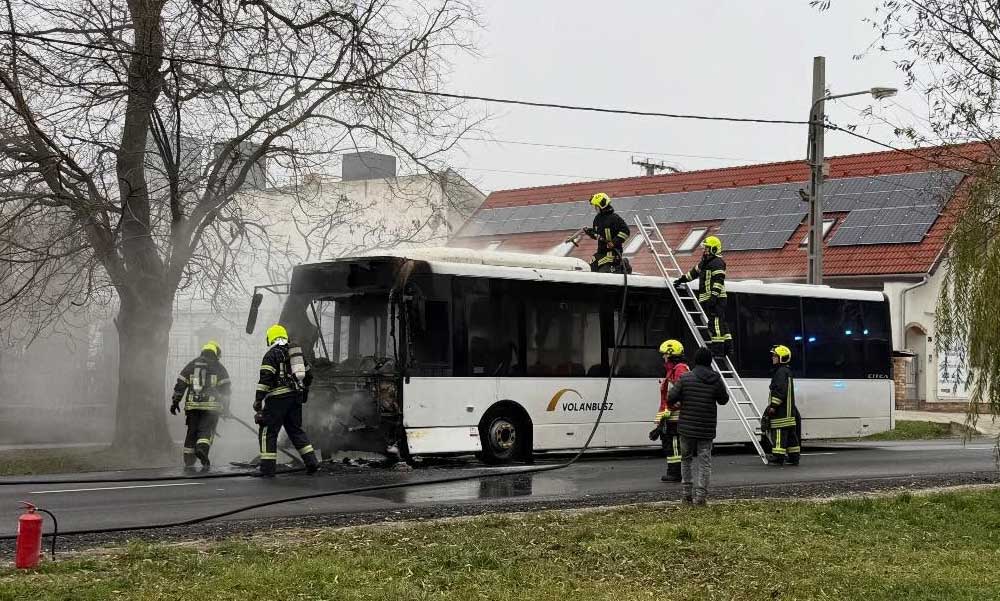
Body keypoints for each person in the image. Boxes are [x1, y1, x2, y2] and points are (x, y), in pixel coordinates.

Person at [254, 324, 319, 477]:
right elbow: (309, 376)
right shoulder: (296, 355)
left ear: (271, 338)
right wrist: (304, 391)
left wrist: (258, 399)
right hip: (295, 398)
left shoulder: (271, 355)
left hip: (277, 400)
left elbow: (265, 378)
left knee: (268, 431)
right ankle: (312, 462)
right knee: (296, 431)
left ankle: (267, 469)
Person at [668, 346, 729, 506]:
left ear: (695, 360)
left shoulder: (685, 378)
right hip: (706, 429)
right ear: (710, 361)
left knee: (686, 460)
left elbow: (671, 397)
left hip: (686, 428)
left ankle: (686, 496)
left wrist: (682, 399)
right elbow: (724, 400)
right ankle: (701, 498)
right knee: (704, 462)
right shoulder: (716, 379)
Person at [170, 341, 230, 471]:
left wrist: (175, 402)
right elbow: (226, 391)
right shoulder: (219, 367)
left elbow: (181, 384)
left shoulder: (192, 365)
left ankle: (188, 460)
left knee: (192, 431)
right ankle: (202, 449)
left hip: (193, 406)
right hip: (211, 407)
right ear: (216, 353)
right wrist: (226, 409)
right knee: (206, 430)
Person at [673, 235, 731, 356]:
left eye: (707, 248)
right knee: (719, 322)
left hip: (717, 299)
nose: (704, 250)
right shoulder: (705, 262)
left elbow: (718, 281)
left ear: (714, 249)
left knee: (715, 323)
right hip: (709, 298)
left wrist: (713, 297)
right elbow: (693, 273)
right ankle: (727, 347)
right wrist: (682, 279)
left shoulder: (718, 262)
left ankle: (718, 349)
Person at [649, 339, 689, 483]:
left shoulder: (680, 369)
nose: (663, 357)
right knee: (669, 444)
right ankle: (672, 472)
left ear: (671, 354)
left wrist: (669, 411)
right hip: (671, 416)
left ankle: (675, 473)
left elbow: (681, 394)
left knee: (674, 445)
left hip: (676, 417)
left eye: (665, 354)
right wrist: (661, 421)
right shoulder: (673, 370)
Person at [766, 344, 800, 466]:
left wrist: (773, 406)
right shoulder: (787, 371)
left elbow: (780, 391)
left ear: (781, 357)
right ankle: (794, 457)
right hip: (790, 412)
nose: (773, 358)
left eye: (775, 356)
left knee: (779, 434)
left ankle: (778, 457)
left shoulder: (780, 372)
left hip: (781, 412)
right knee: (791, 436)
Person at [584, 192, 630, 273]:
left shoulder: (614, 218)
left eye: (596, 206)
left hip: (612, 254)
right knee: (590, 268)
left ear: (602, 205)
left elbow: (625, 231)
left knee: (602, 272)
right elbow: (596, 234)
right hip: (601, 253)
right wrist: (589, 232)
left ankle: (622, 265)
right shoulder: (597, 218)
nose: (595, 208)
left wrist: (614, 242)